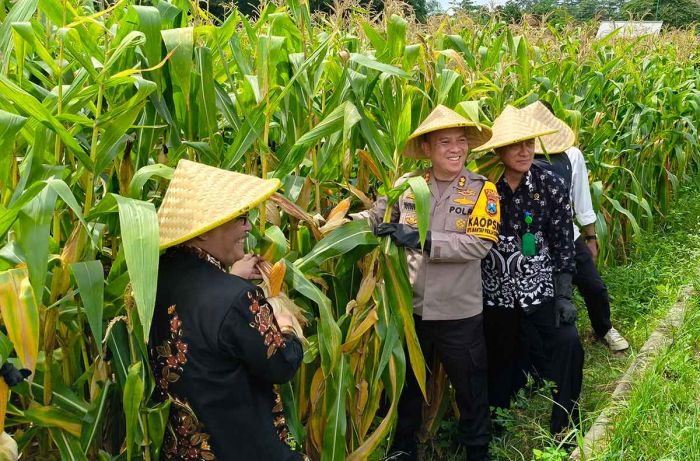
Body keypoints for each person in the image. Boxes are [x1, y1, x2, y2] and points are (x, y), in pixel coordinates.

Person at [356, 105, 498, 461]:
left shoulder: (483, 191)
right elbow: (376, 216)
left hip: (458, 313)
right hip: (411, 309)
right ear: (427, 150)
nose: (455, 149)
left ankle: (477, 451)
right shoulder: (407, 187)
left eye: (461, 141)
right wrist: (334, 222)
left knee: (470, 388)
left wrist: (421, 239)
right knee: (407, 387)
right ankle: (404, 449)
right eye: (445, 142)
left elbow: (479, 244)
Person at [151, 159, 306, 460]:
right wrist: (286, 326)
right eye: (240, 218)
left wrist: (229, 277)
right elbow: (281, 365)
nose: (248, 226)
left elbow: (201, 321)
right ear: (204, 230)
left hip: (183, 450)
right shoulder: (237, 299)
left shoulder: (155, 277)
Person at [473, 106, 584, 436]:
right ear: (499, 150)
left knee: (569, 345)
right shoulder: (483, 188)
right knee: (500, 363)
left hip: (540, 293)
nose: (524, 151)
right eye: (515, 144)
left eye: (529, 143)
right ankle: (495, 427)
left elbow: (564, 244)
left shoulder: (550, 185)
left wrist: (563, 295)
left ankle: (564, 427)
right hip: (496, 297)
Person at [523, 101, 630, 352]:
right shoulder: (518, 156)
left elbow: (581, 201)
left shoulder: (571, 155)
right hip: (531, 240)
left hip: (567, 236)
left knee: (594, 286)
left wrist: (591, 237)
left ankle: (604, 328)